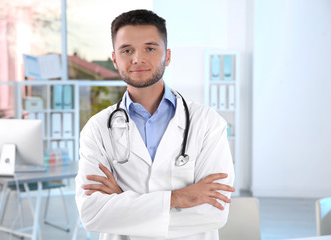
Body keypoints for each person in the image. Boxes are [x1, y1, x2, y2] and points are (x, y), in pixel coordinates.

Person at [75, 9, 235, 240]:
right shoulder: (97, 128)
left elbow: (213, 213)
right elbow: (92, 214)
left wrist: (123, 201)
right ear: (114, 59)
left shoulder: (207, 123)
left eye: (150, 48)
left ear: (167, 56)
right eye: (126, 50)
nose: (137, 58)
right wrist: (178, 198)